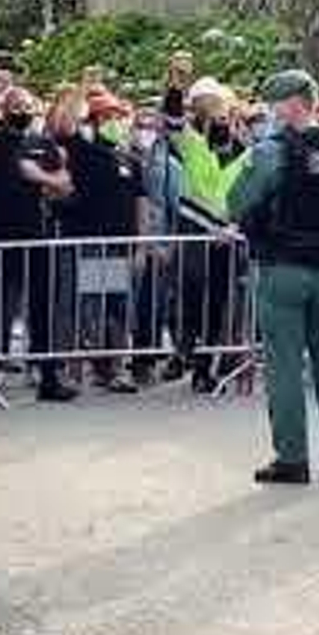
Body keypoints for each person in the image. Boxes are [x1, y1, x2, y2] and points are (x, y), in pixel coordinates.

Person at [231, 68, 319, 485]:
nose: (271, 113)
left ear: (291, 103)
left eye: (274, 104)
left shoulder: (271, 152)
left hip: (283, 271)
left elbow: (236, 202)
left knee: (285, 365)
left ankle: (292, 458)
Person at [0, 85, 78, 404]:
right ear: (4, 110)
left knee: (44, 308)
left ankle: (48, 377)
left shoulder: (43, 145)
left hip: (37, 237)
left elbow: (66, 186)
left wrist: (41, 179)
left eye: (27, 104)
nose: (22, 110)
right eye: (15, 104)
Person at [163, 60, 250, 393]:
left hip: (225, 239)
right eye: (213, 117)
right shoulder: (193, 143)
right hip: (194, 232)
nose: (220, 123)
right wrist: (175, 83)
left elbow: (249, 194)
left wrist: (233, 227)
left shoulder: (246, 153)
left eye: (224, 117)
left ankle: (203, 368)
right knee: (185, 297)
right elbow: (172, 119)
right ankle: (181, 350)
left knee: (215, 306)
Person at [57, 89, 149, 394]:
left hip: (119, 244)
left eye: (118, 117)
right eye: (107, 117)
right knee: (84, 307)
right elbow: (64, 127)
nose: (115, 122)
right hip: (88, 242)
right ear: (94, 121)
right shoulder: (83, 150)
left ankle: (116, 369)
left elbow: (141, 203)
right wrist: (80, 91)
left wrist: (141, 245)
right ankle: (73, 371)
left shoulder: (130, 157)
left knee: (117, 308)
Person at [130, 104, 184, 385]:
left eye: (150, 126)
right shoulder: (123, 159)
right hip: (125, 242)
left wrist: (170, 245)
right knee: (124, 304)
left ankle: (146, 360)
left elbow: (177, 209)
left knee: (153, 303)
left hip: (159, 244)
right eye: (140, 125)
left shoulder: (171, 167)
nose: (144, 131)